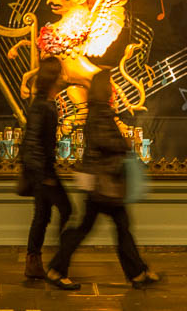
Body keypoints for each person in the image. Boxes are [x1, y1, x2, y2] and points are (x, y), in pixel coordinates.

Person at [46, 69, 161, 290]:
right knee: (105, 227)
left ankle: (137, 272)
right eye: (109, 85)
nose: (112, 88)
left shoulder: (97, 111)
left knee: (113, 226)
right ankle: (57, 268)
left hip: (102, 181)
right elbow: (103, 141)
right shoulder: (101, 113)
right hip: (104, 183)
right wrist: (124, 145)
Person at [20, 56, 72, 279]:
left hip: (42, 170)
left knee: (42, 215)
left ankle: (34, 262)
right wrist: (45, 175)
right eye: (60, 72)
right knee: (67, 210)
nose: (63, 76)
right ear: (54, 77)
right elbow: (33, 143)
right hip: (43, 172)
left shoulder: (43, 104)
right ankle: (58, 261)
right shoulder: (43, 107)